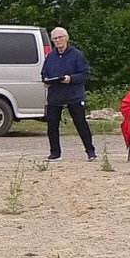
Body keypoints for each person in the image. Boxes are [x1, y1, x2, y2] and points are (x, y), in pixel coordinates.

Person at [41, 27, 97, 162]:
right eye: (55, 38)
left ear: (66, 38)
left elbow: (85, 74)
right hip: (55, 95)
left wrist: (70, 79)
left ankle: (90, 151)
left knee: (80, 123)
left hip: (73, 94)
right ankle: (55, 153)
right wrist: (46, 80)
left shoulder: (76, 55)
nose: (58, 40)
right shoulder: (50, 57)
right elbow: (44, 73)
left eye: (60, 37)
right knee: (52, 124)